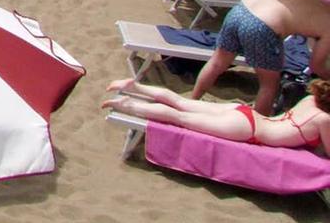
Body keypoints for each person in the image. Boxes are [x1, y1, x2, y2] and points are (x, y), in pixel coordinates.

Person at [190, 0, 330, 115]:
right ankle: (258, 125)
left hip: (242, 8)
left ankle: (192, 102)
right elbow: (316, 65)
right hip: (262, 26)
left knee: (216, 63)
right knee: (269, 84)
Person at [103, 78, 330, 150]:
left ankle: (136, 87)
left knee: (181, 103)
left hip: (244, 113)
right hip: (249, 130)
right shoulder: (324, 119)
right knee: (179, 118)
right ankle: (128, 105)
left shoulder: (310, 99)